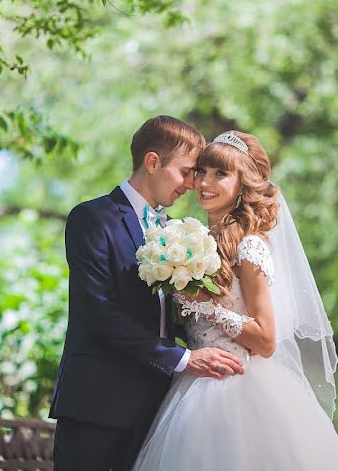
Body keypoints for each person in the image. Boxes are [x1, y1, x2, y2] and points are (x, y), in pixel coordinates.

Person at [133, 130, 338, 471]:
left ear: (243, 183)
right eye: (202, 171)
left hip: (238, 389)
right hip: (191, 385)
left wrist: (207, 305)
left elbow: (266, 340)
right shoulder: (195, 242)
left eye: (221, 173)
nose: (206, 182)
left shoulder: (249, 248)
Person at [48, 116, 245, 471]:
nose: (192, 184)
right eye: (186, 171)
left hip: (158, 407)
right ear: (153, 162)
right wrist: (184, 360)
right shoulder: (93, 219)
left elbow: (171, 312)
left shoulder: (174, 231)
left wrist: (217, 338)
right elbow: (99, 313)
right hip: (96, 402)